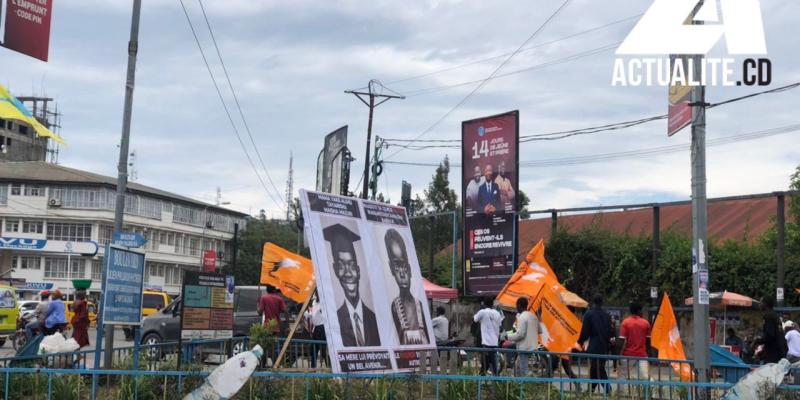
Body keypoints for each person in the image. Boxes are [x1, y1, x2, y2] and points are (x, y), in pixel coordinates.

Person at [323, 223, 380, 347]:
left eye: (352, 265)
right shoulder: (335, 321)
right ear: (335, 270)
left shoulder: (375, 320)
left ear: (358, 271)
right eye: (341, 266)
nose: (348, 273)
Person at [385, 229, 428, 345]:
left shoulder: (419, 305)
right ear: (391, 269)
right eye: (397, 267)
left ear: (409, 268)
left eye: (404, 266)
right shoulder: (395, 307)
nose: (402, 274)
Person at [578, 295, 613, 394]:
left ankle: (608, 390)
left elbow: (585, 331)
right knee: (596, 368)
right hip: (604, 347)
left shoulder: (589, 314)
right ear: (602, 303)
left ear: (593, 302)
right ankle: (590, 390)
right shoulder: (607, 315)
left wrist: (580, 342)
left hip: (594, 346)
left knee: (598, 369)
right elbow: (610, 331)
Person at [619, 302, 651, 393]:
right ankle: (648, 394)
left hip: (627, 354)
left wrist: (618, 355)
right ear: (638, 311)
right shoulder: (646, 323)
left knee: (622, 376)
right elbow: (648, 341)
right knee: (645, 377)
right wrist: (648, 354)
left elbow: (621, 341)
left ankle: (619, 395)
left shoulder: (625, 322)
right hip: (642, 355)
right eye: (641, 310)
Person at [504, 297, 538, 376]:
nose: (516, 308)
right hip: (532, 346)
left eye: (516, 306)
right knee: (517, 368)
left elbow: (520, 334)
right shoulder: (533, 316)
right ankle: (519, 384)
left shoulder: (522, 317)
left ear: (519, 305)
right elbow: (539, 330)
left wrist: (508, 337)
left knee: (524, 370)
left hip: (524, 347)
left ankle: (531, 383)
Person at [473, 297, 502, 375]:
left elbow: (475, 319)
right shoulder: (497, 313)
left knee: (485, 365)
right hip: (495, 343)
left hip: (486, 344)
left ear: (484, 304)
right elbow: (500, 325)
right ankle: (495, 380)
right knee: (493, 364)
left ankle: (481, 380)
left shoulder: (482, 312)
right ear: (492, 304)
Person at [754, 295, 787, 363]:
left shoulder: (767, 316)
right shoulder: (775, 315)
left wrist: (757, 341)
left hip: (773, 353)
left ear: (765, 304)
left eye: (760, 302)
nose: (759, 305)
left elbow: (770, 335)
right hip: (780, 351)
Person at [306, 299, 327, 368]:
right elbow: (311, 317)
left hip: (322, 327)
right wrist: (310, 330)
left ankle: (330, 367)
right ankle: (313, 369)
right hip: (315, 328)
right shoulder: (314, 303)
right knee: (314, 350)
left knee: (323, 350)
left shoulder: (323, 302)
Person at [784, 321, 800, 386]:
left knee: (782, 367)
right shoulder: (799, 334)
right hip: (798, 357)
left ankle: (785, 380)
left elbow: (783, 342)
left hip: (791, 355)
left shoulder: (790, 333)